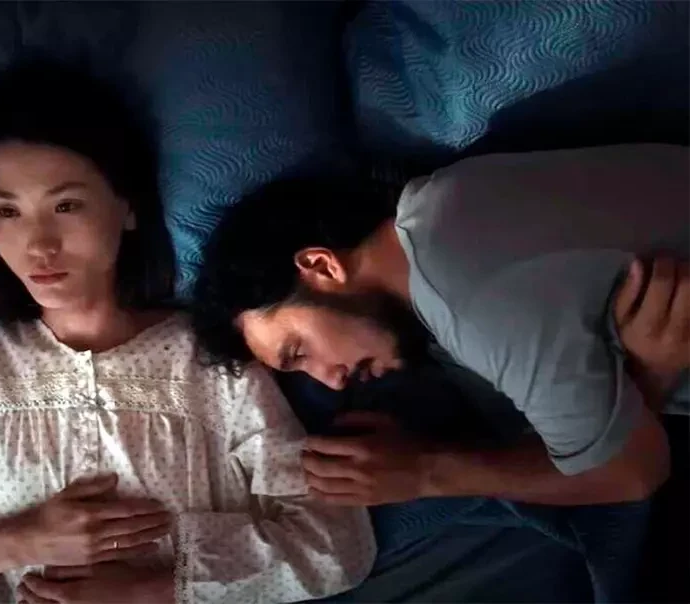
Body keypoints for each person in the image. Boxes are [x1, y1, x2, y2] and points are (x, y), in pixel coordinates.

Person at [0, 60, 375, 604]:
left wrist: (150, 589)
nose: (39, 245)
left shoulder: (211, 364)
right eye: (7, 212)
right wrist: (23, 540)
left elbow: (338, 544)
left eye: (66, 205)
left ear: (127, 208)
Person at [190, 144, 689, 508]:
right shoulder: (437, 203)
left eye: (298, 351)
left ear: (321, 266)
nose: (331, 381)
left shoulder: (467, 298)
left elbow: (632, 472)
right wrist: (645, 377)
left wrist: (424, 474)